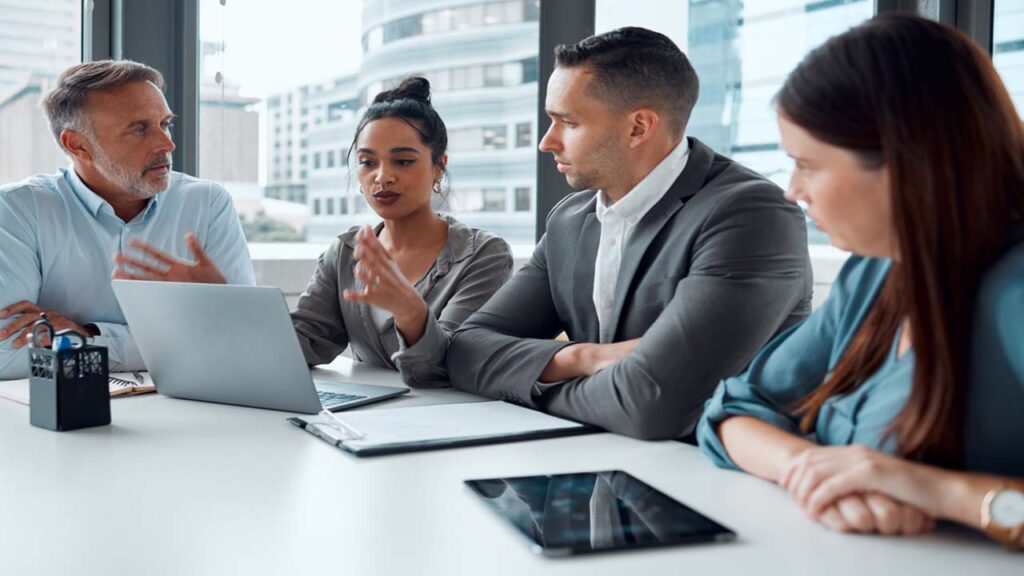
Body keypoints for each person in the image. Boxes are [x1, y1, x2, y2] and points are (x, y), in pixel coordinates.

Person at [696, 15, 1024, 546]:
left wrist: (939, 492)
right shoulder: (877, 272)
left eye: (809, 165)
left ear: (906, 163)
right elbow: (733, 410)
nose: (792, 191)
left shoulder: (1014, 296)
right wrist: (817, 472)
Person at [447, 27, 813, 440]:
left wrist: (530, 381)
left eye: (566, 122)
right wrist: (583, 357)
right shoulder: (569, 220)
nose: (547, 143)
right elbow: (463, 350)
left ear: (639, 127)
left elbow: (651, 404)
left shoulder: (752, 215)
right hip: (601, 471)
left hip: (718, 482)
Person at [0, 60, 254, 379]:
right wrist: (186, 333)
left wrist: (86, 337)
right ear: (76, 144)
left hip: (192, 409)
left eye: (165, 124)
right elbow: (6, 356)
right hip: (66, 420)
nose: (167, 144)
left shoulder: (207, 203)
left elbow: (241, 342)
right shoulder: (18, 208)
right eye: (138, 129)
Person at [290, 77, 513, 387]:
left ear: (438, 167)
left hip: (452, 420)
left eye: (403, 161)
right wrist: (227, 315)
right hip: (366, 421)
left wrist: (409, 310)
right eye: (368, 162)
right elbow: (304, 342)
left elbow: (452, 365)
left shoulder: (483, 255)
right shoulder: (344, 252)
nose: (382, 177)